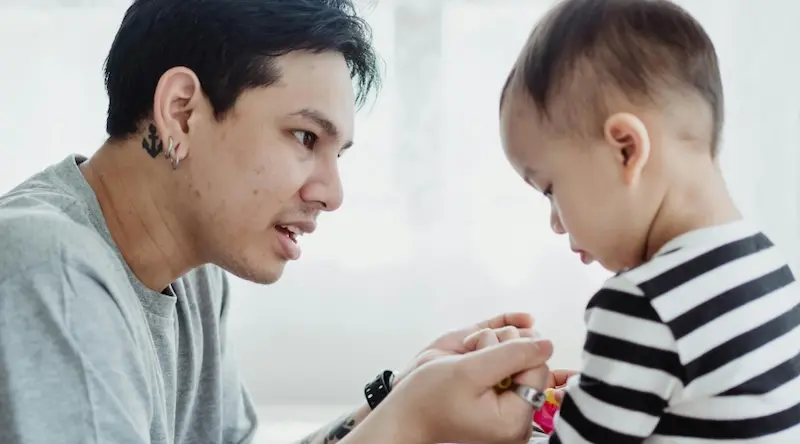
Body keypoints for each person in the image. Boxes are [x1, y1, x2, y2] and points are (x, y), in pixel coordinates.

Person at [0, 1, 558, 444]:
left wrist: (395, 398)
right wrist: (408, 425)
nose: (332, 195)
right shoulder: (47, 265)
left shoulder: (194, 274)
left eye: (337, 155)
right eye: (305, 137)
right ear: (182, 112)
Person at [498, 0, 800, 442]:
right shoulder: (769, 268)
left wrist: (517, 410)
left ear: (625, 149)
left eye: (550, 190)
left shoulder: (641, 306)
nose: (556, 224)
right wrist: (599, 397)